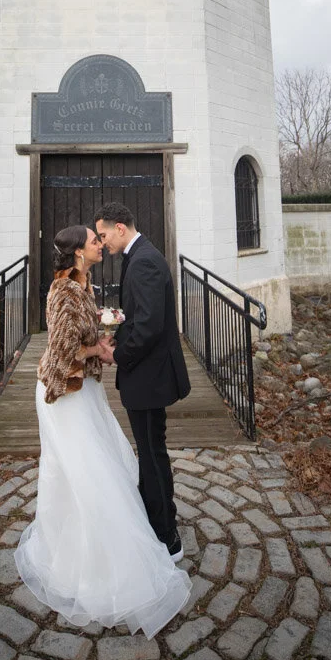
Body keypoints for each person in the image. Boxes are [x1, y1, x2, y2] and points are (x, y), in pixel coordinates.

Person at [14, 224, 191, 639]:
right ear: (79, 252)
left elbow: (80, 329)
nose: (100, 243)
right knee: (88, 472)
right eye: (94, 241)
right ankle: (92, 557)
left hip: (86, 392)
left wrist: (102, 325)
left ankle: (108, 537)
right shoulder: (64, 292)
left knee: (99, 463)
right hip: (65, 396)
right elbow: (61, 351)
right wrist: (98, 348)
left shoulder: (84, 285)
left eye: (100, 237)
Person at [94, 202, 191, 561]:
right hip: (148, 375)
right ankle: (157, 519)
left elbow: (149, 326)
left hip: (150, 378)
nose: (102, 242)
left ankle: (166, 536)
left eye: (103, 235)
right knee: (151, 451)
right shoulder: (140, 256)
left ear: (120, 228)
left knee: (151, 453)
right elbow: (139, 318)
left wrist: (117, 355)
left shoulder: (144, 261)